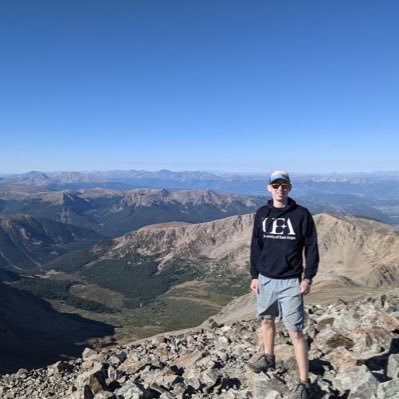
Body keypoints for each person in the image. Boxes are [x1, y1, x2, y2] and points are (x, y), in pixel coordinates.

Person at [248, 169, 319, 399]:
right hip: (266, 278)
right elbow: (256, 246)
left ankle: (304, 382)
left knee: (295, 331)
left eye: (284, 185)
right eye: (276, 185)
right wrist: (255, 275)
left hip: (290, 281)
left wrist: (308, 277)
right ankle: (268, 357)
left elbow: (311, 247)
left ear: (290, 187)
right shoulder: (262, 213)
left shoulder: (301, 214)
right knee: (266, 320)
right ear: (269, 187)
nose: (280, 189)